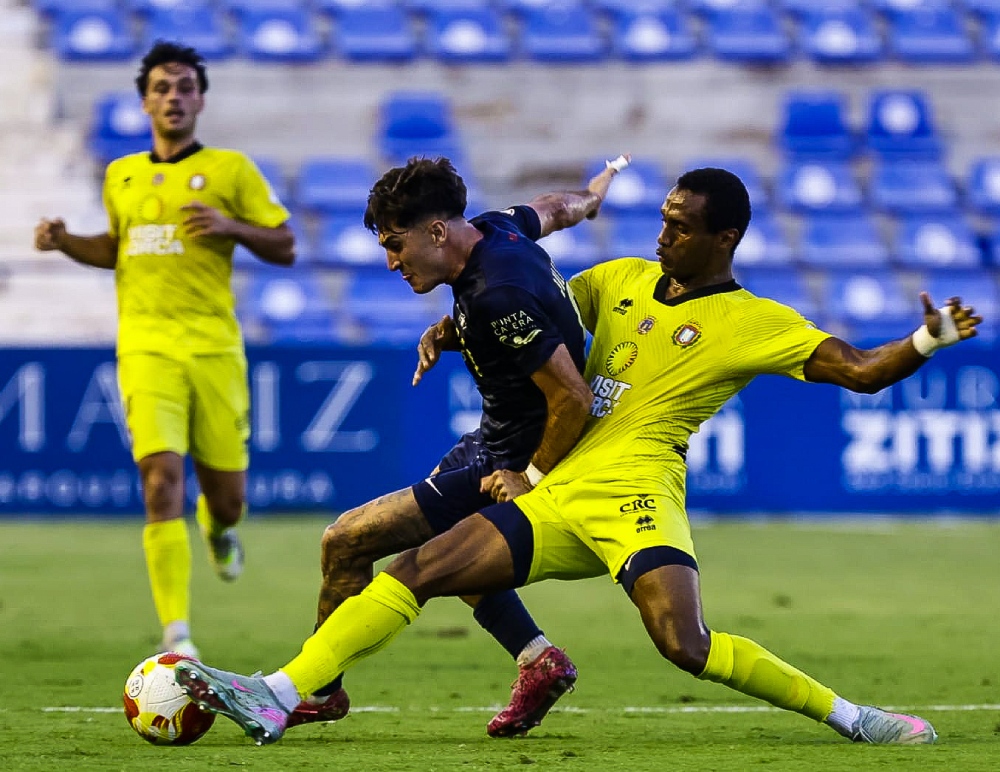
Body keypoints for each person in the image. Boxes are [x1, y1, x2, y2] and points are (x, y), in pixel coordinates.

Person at [174, 167, 981, 747]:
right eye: (662, 218)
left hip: (637, 491)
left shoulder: (754, 320)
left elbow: (862, 372)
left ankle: (854, 719)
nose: (662, 235)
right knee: (413, 571)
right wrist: (453, 327)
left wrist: (924, 339)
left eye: (681, 227)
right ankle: (275, 694)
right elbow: (538, 306)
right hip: (560, 487)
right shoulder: (621, 279)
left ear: (725, 237)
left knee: (684, 646)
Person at [283, 155, 629, 737]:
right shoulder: (499, 228)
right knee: (452, 555)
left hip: (512, 457)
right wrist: (596, 192)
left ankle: (316, 690)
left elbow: (572, 396)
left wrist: (530, 479)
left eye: (396, 245)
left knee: (346, 542)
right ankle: (539, 661)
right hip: (492, 440)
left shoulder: (497, 295)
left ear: (437, 232)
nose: (391, 262)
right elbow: (559, 207)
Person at [34, 41, 295, 658]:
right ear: (144, 99)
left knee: (228, 499)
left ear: (200, 98)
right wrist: (69, 241)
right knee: (159, 482)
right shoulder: (121, 175)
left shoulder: (231, 170)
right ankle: (177, 633)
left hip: (214, 350)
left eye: (183, 87)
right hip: (146, 349)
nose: (172, 97)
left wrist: (232, 226)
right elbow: (118, 250)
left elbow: (284, 244)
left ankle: (218, 527)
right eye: (161, 88)